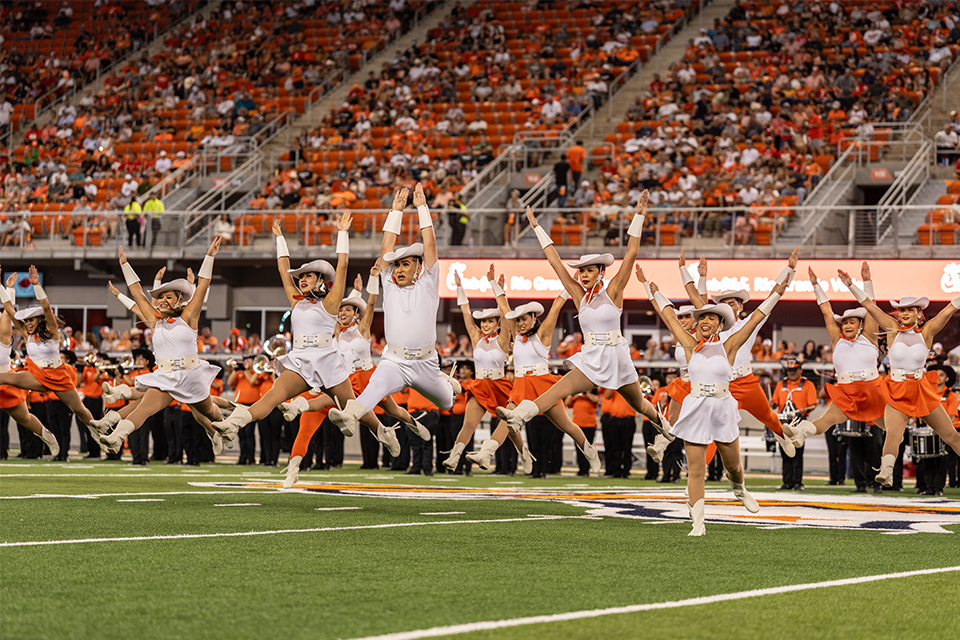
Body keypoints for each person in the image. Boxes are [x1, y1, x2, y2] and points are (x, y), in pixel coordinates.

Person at [213, 214, 397, 459]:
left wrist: (343, 233)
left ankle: (383, 431)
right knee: (271, 399)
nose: (301, 280)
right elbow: (282, 268)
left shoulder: (331, 302)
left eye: (307, 276)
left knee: (353, 407)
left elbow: (342, 266)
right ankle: (233, 424)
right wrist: (280, 239)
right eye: (300, 277)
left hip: (327, 359)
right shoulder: (296, 301)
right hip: (300, 358)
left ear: (321, 280)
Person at [496, 196, 671, 447]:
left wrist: (639, 215)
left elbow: (631, 253)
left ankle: (662, 423)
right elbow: (555, 263)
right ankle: (518, 416)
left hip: (617, 357)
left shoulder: (613, 291)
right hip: (592, 357)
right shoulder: (579, 295)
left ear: (602, 272)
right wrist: (537, 228)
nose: (584, 274)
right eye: (582, 270)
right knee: (556, 391)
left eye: (590, 270)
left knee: (639, 403)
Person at [641, 261, 790, 536]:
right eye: (702, 318)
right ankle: (698, 523)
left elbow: (758, 315)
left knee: (733, 465)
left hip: (723, 406)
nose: (706, 321)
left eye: (712, 318)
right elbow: (668, 317)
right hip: (696, 406)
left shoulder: (729, 345)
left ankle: (739, 488)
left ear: (721, 324)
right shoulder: (688, 345)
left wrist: (784, 284)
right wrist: (651, 291)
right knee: (695, 470)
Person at [327, 185, 461, 440]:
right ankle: (349, 415)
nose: (399, 269)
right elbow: (386, 249)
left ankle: (447, 382)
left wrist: (422, 208)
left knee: (446, 402)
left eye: (406, 264)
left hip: (426, 363)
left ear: (418, 268)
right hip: (395, 362)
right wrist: (396, 211)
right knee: (373, 390)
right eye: (397, 265)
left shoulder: (429, 283)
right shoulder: (388, 284)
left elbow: (430, 243)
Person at [279, 268, 427, 488]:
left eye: (347, 310)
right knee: (306, 428)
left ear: (355, 314)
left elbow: (371, 303)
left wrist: (373, 280)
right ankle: (293, 470)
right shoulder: (335, 331)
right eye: (340, 310)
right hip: (341, 380)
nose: (342, 313)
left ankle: (412, 423)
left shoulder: (363, 329)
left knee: (393, 410)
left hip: (367, 379)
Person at [93, 241, 228, 455]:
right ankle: (116, 437)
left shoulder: (188, 317)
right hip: (166, 376)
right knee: (145, 407)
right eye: (161, 297)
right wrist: (125, 265)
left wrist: (210, 256)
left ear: (179, 301)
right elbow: (137, 293)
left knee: (208, 411)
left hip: (191, 375)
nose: (163, 300)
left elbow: (202, 286)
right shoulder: (155, 321)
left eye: (168, 297)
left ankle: (223, 428)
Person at [838, 266, 960, 487]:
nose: (904, 313)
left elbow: (950, 308)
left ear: (918, 313)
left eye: (910, 310)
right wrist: (850, 284)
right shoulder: (892, 328)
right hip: (896, 389)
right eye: (902, 309)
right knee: (894, 435)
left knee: (950, 436)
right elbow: (868, 306)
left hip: (920, 389)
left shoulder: (927, 332)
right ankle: (885, 471)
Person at [467, 288, 596, 477]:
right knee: (507, 420)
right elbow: (504, 307)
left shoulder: (542, 334)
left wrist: (566, 286)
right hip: (521, 385)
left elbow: (555, 308)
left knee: (566, 425)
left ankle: (588, 450)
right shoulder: (516, 336)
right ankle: (487, 453)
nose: (519, 323)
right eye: (517, 320)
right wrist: (496, 285)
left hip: (543, 385)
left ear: (534, 318)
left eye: (524, 319)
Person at [683, 253, 801, 457]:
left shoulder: (747, 324)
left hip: (747, 380)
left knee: (767, 415)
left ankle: (782, 435)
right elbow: (700, 301)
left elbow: (768, 301)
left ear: (741, 306)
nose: (729, 306)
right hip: (724, 385)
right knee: (716, 425)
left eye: (733, 302)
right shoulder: (712, 325)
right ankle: (700, 470)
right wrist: (700, 276)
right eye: (725, 303)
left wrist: (789, 269)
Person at [445, 266, 533, 474]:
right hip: (480, 385)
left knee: (511, 429)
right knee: (468, 424)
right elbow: (466, 313)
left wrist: (497, 288)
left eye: (489, 321)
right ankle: (454, 456)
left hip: (500, 384)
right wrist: (459, 287)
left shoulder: (503, 339)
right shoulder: (476, 339)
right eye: (483, 321)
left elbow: (505, 315)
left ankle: (524, 454)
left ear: (496, 324)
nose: (485, 324)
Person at [0, 265, 100, 441]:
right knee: (5, 378)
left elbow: (46, 306)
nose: (28, 324)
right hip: (36, 374)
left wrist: (37, 285)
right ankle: (43, 433)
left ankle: (97, 432)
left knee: (79, 409)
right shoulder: (26, 333)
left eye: (31, 320)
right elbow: (8, 307)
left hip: (57, 374)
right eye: (26, 321)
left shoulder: (53, 332)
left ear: (39, 320)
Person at [0, 273, 59, 457]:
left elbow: (9, 313)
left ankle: (46, 435)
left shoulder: (2, 338)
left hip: (6, 382)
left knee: (24, 418)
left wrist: (8, 289)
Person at [771, 359, 816, 490]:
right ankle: (787, 481)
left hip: (798, 422)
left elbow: (812, 405)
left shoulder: (807, 384)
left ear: (800, 370)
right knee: (784, 451)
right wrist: (771, 403)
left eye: (794, 371)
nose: (791, 373)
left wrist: (805, 410)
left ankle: (797, 482)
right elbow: (774, 402)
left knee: (797, 451)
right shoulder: (781, 384)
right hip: (783, 422)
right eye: (789, 371)